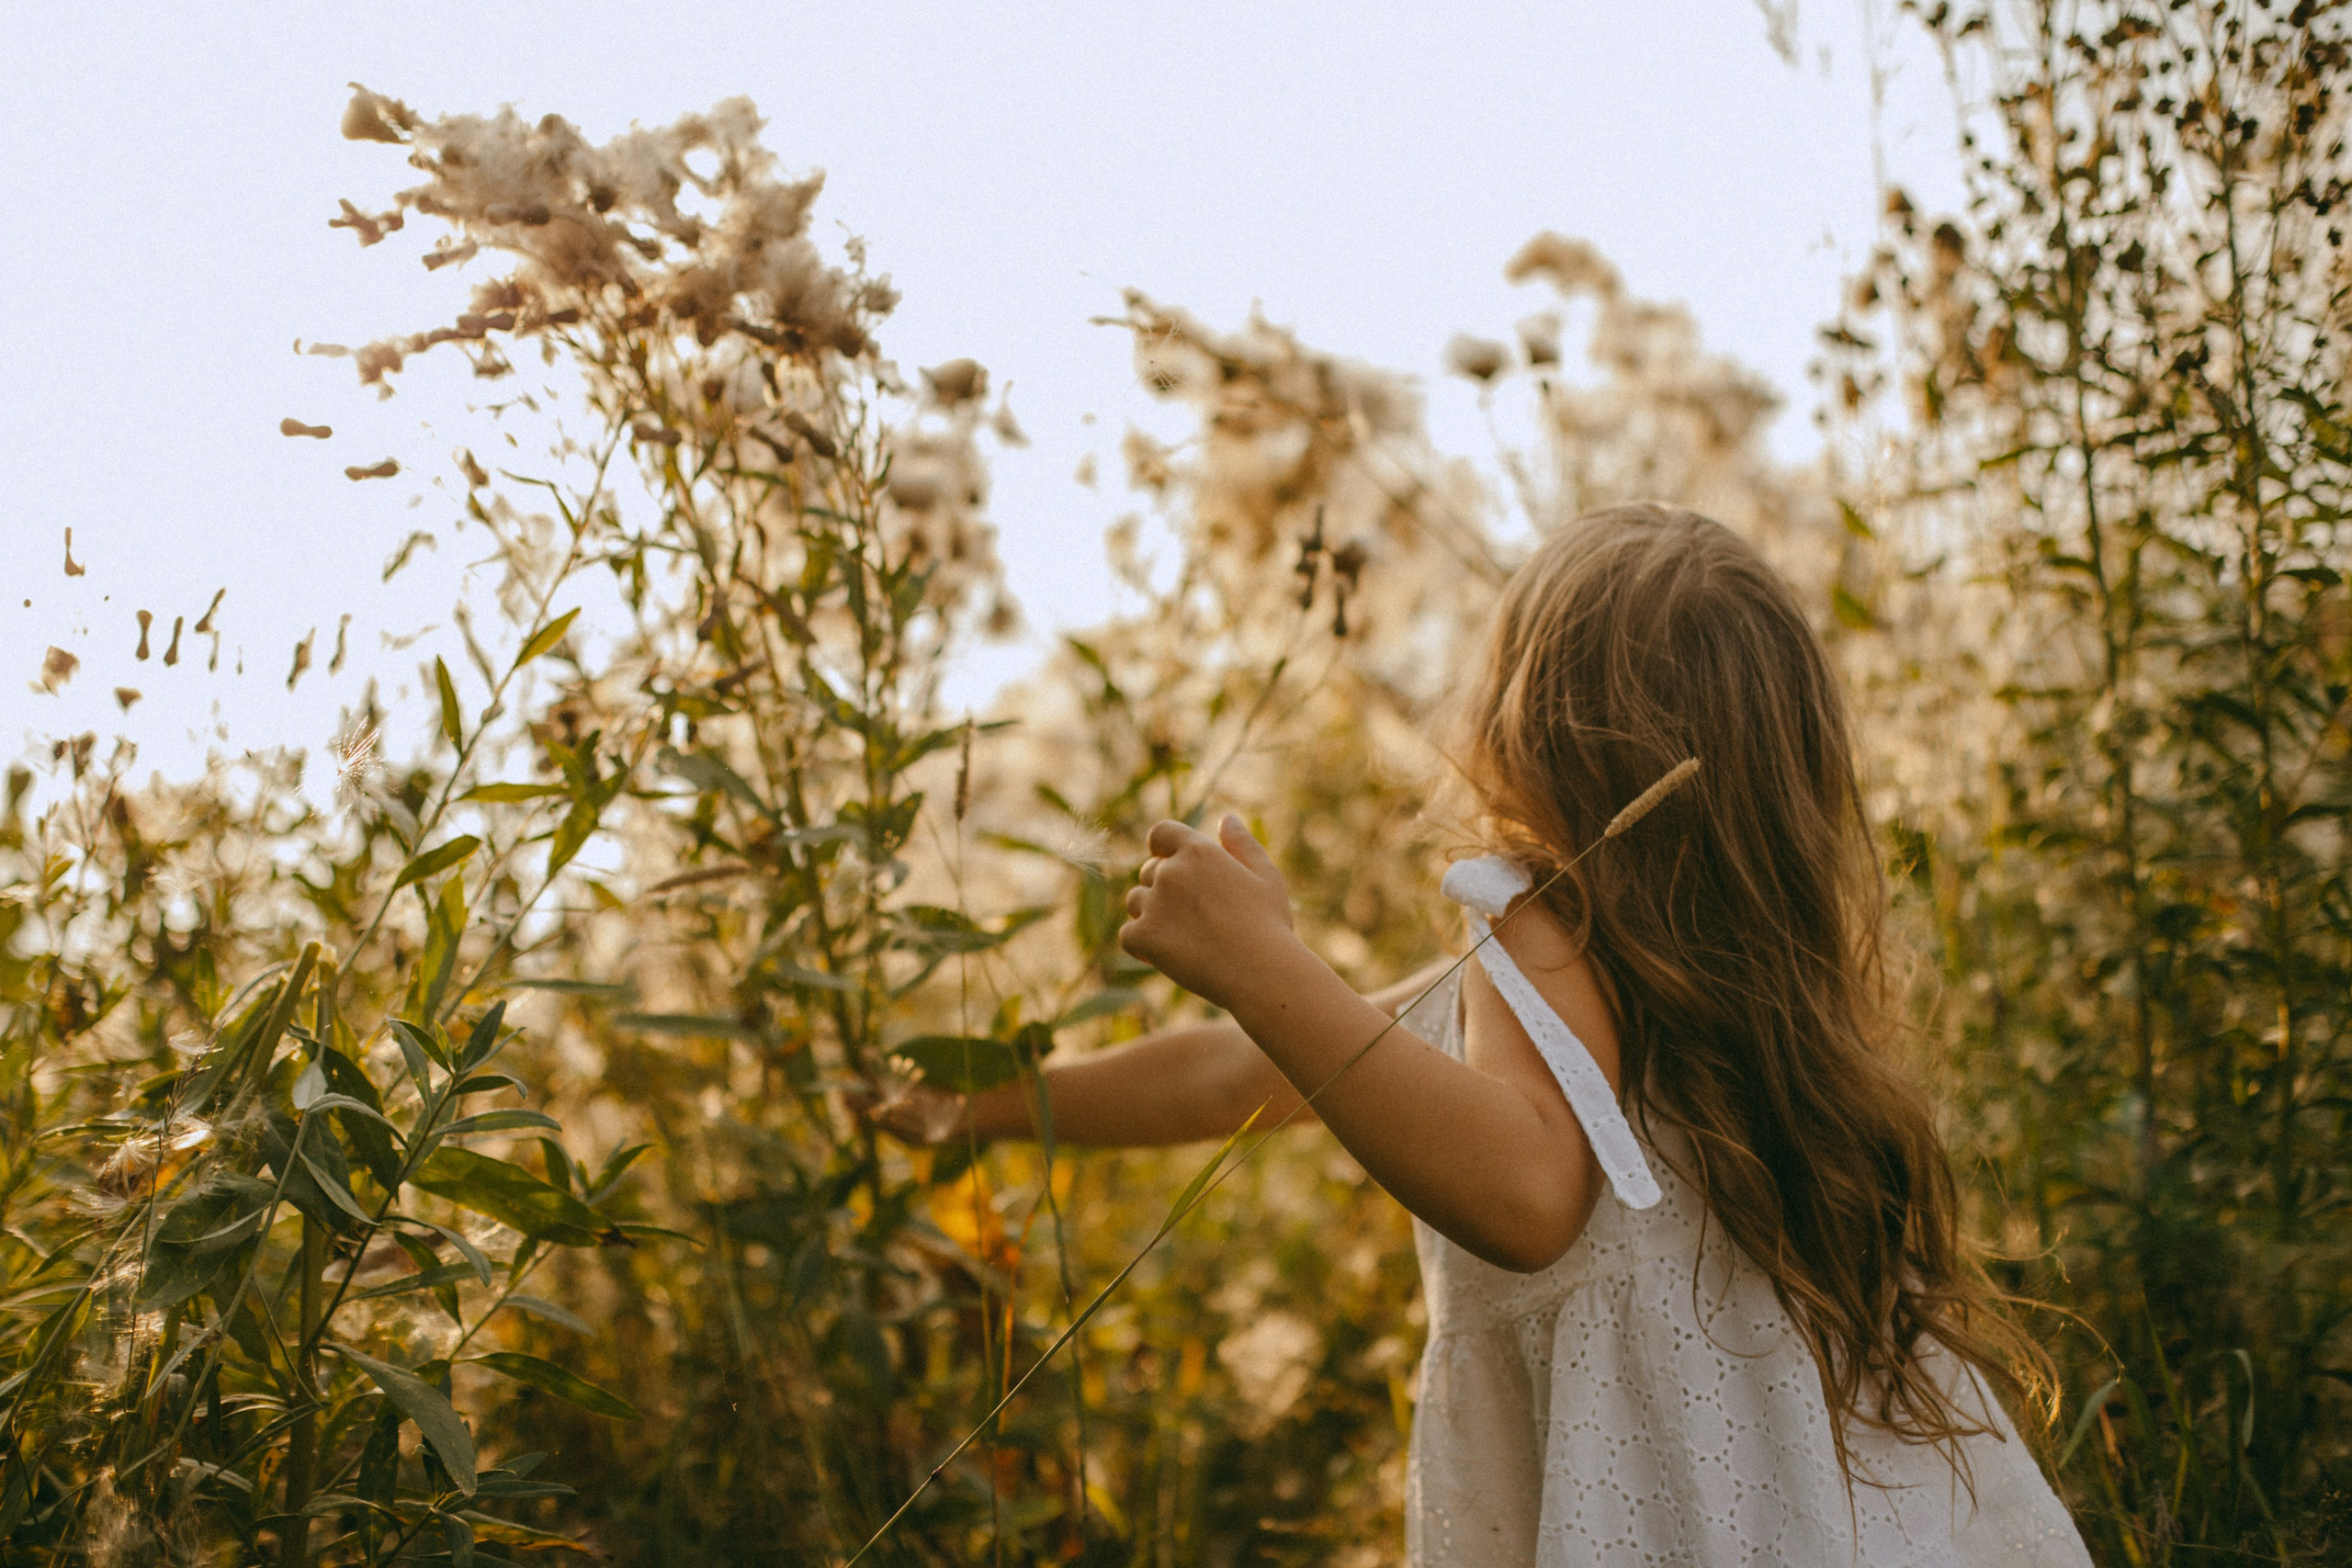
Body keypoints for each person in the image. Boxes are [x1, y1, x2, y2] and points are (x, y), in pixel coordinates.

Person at [866, 502, 2093, 1565]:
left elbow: (1529, 1192)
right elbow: (1244, 1075)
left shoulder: (1530, 922)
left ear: (1530, 717)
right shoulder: (1744, 1006)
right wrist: (989, 1107)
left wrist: (1262, 965)